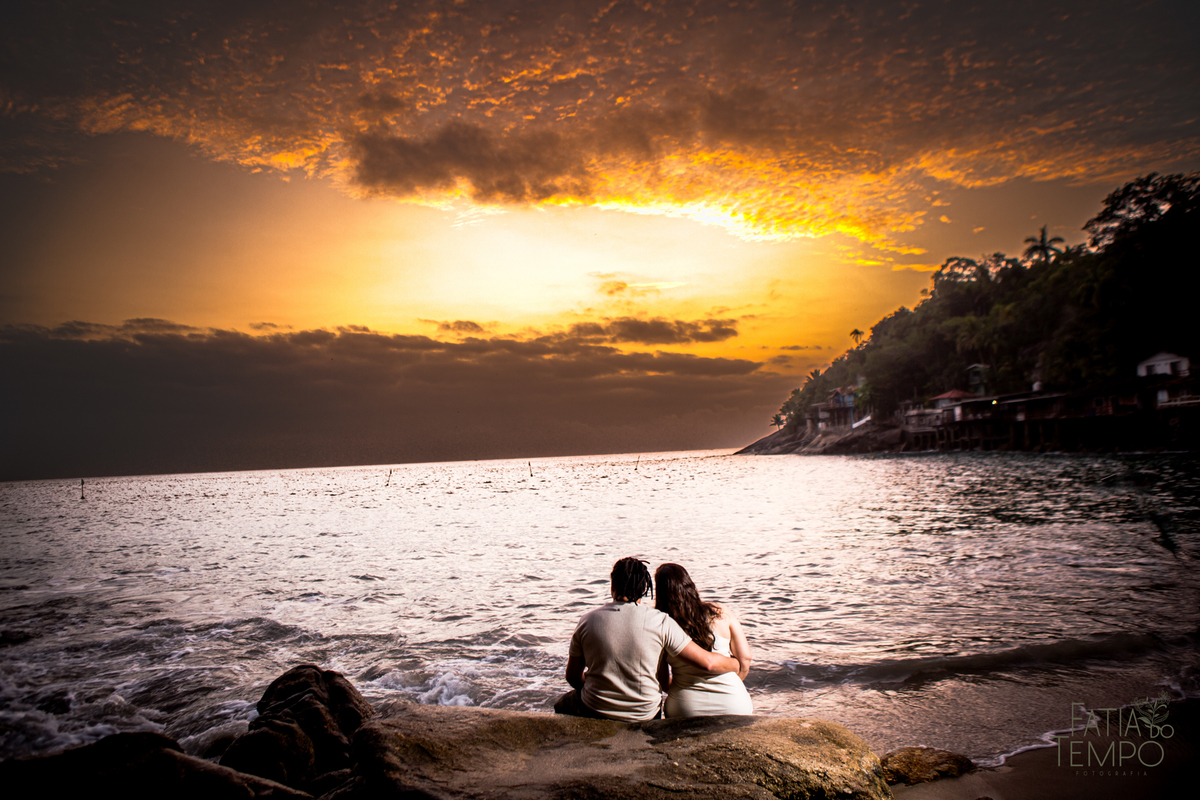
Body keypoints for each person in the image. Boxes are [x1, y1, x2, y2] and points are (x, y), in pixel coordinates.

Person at [555, 556, 741, 722]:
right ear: (644, 589)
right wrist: (734, 664)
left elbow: (572, 677)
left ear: (613, 585)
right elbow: (706, 662)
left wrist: (597, 686)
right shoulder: (661, 621)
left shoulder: (587, 620)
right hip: (645, 714)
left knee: (562, 704)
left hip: (597, 708)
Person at [654, 562, 753, 717]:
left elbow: (663, 681)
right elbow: (745, 659)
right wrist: (731, 682)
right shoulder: (720, 612)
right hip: (734, 703)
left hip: (685, 708)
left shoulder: (661, 625)